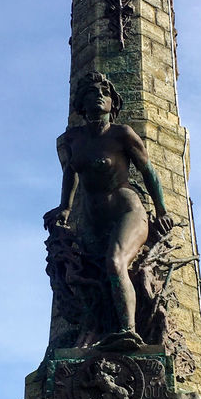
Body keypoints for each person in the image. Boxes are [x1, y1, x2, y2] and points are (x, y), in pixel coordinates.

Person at [44, 72, 173, 345]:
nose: (98, 96)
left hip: (127, 210)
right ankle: (94, 333)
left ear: (113, 104)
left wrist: (161, 211)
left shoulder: (121, 135)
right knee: (90, 278)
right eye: (91, 93)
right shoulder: (73, 139)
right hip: (93, 220)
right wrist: (64, 208)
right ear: (81, 103)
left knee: (115, 263)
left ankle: (129, 332)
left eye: (104, 93)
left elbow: (148, 171)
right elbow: (71, 173)